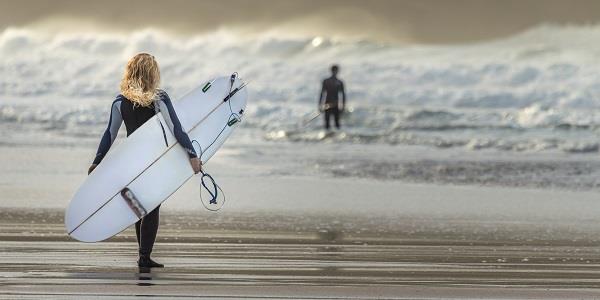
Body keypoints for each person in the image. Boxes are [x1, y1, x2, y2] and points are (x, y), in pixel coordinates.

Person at [88, 53, 202, 268]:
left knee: (140, 206)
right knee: (151, 206)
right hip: (153, 162)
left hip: (131, 163)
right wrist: (192, 155)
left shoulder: (120, 101)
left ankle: (143, 255)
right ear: (152, 73)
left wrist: (98, 161)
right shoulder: (158, 98)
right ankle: (144, 257)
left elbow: (110, 134)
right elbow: (176, 128)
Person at [318, 64, 346, 130]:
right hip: (328, 105)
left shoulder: (339, 82)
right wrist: (320, 105)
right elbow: (322, 93)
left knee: (336, 124)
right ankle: (330, 138)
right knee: (328, 124)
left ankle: (335, 138)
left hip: (334, 105)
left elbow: (343, 95)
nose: (335, 72)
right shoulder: (328, 81)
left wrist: (343, 106)